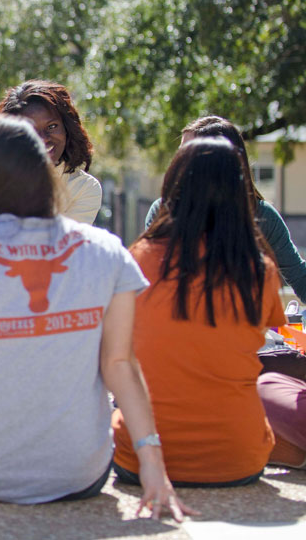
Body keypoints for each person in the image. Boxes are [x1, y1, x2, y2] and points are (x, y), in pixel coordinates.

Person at [0, 115, 192, 520]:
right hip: (80, 477)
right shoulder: (106, 249)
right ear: (45, 176)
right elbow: (120, 365)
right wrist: (154, 468)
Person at [113, 137, 288, 486]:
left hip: (140, 456)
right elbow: (264, 339)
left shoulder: (140, 257)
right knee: (270, 384)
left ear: (173, 187)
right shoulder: (260, 268)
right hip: (239, 460)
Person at [144, 116, 306, 301]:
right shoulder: (162, 212)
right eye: (180, 154)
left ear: (221, 164)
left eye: (188, 156)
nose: (178, 163)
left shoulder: (262, 217)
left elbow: (300, 277)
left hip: (242, 327)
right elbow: (150, 282)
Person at [0, 80, 102, 224]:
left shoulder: (83, 188)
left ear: (67, 129)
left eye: (52, 126)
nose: (43, 139)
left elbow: (61, 244)